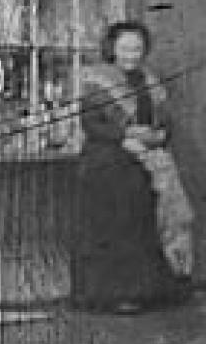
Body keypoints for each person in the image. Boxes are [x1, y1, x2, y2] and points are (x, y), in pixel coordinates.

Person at [72, 20, 194, 313]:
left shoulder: (150, 81)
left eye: (137, 49)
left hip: (145, 161)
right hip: (107, 163)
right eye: (125, 48)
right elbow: (91, 124)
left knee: (152, 220)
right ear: (112, 49)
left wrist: (159, 135)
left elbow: (164, 121)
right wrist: (124, 138)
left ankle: (149, 290)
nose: (132, 55)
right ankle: (112, 295)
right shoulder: (96, 80)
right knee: (118, 224)